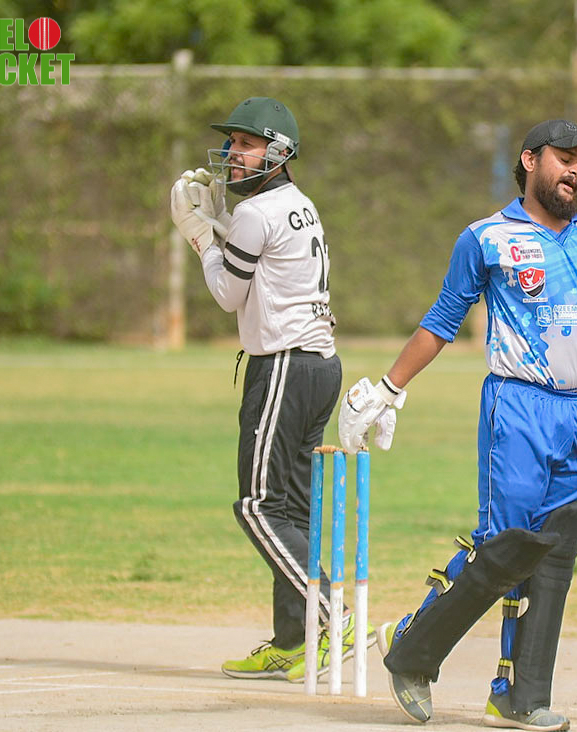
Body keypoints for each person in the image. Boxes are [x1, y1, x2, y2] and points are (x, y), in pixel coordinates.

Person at [338, 119, 577, 730]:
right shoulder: (487, 238)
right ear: (530, 161)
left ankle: (519, 695)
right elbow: (442, 319)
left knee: (554, 553)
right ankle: (414, 650)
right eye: (563, 157)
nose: (574, 169)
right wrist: (389, 389)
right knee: (506, 545)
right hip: (520, 405)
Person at [169, 96, 371, 683]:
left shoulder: (257, 213)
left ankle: (333, 616)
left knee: (257, 507)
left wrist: (200, 235)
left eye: (246, 144)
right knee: (291, 511)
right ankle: (294, 639)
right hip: (320, 366)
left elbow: (227, 294)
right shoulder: (298, 204)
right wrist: (222, 226)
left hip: (284, 367)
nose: (233, 153)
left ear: (278, 152)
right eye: (232, 142)